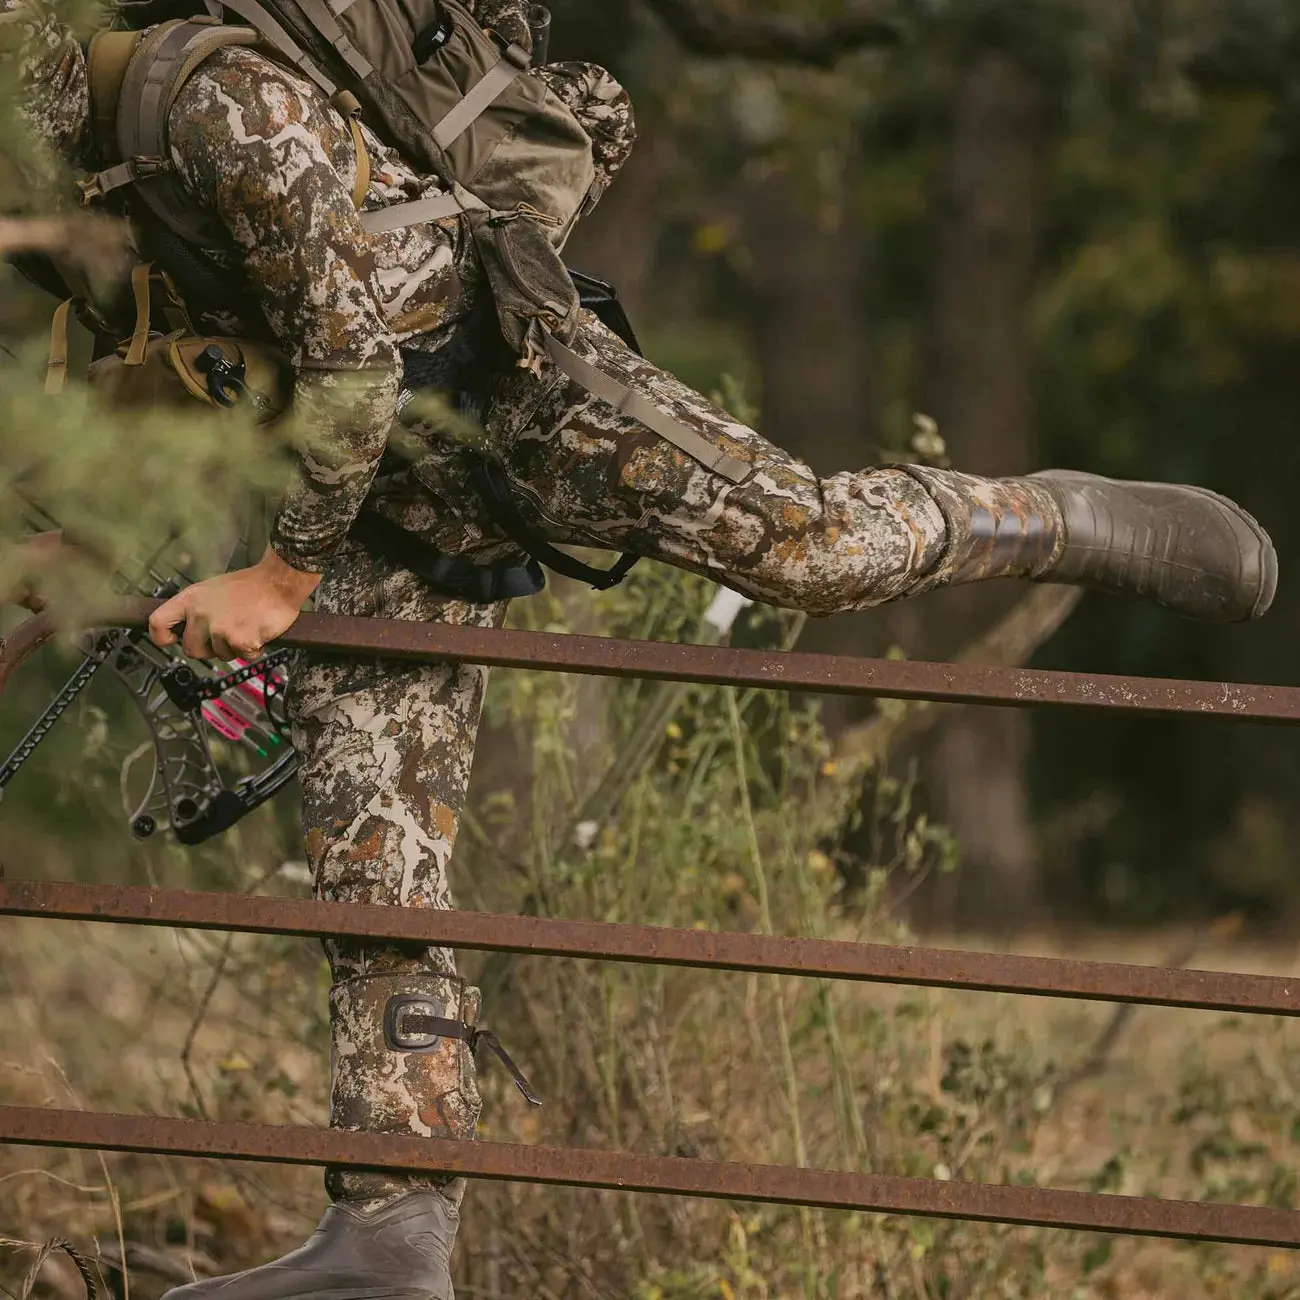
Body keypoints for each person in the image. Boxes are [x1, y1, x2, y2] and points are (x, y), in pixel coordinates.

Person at [2, 0, 1278, 1295]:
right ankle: (390, 1232)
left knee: (810, 548)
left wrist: (279, 579)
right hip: (373, 502)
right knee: (372, 863)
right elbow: (179, 360)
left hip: (514, 386)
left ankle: (1053, 513)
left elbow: (352, 356)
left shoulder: (217, 103)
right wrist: (93, 532)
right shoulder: (62, 178)